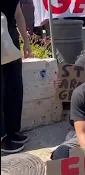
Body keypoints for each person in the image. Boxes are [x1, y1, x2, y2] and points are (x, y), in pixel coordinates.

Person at [1, 0, 32, 153]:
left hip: (10, 39)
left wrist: (26, 41)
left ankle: (12, 130)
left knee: (14, 88)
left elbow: (18, 13)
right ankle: (3, 138)